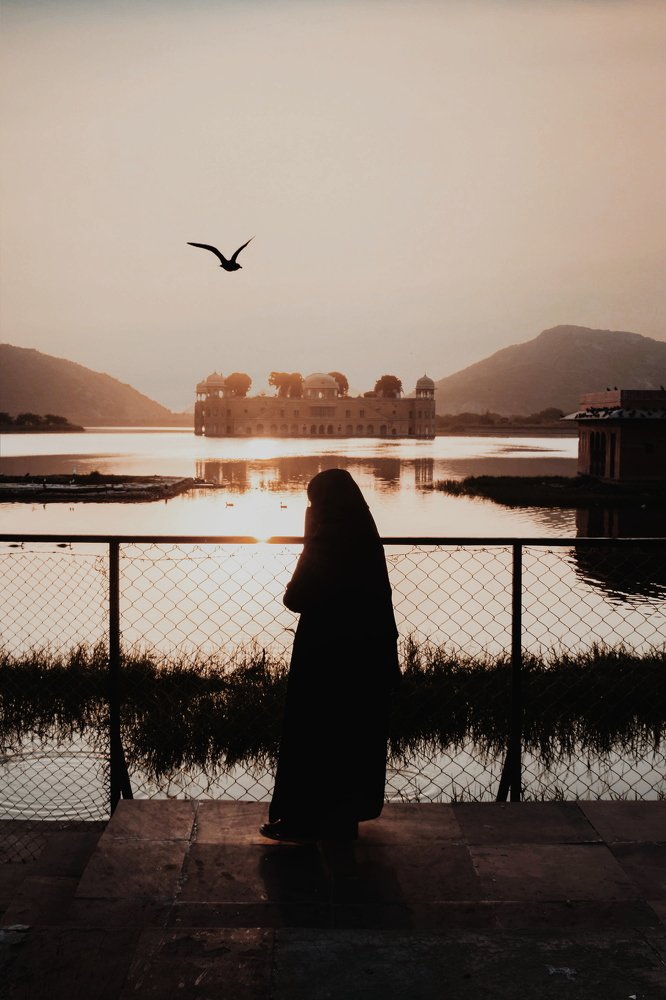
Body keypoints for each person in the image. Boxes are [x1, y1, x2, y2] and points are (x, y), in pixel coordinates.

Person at [260, 468, 400, 843]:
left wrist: (309, 541)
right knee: (353, 735)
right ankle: (343, 818)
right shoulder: (363, 532)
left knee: (314, 734)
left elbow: (295, 597)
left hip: (326, 656)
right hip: (366, 655)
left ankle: (302, 819)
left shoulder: (328, 537)